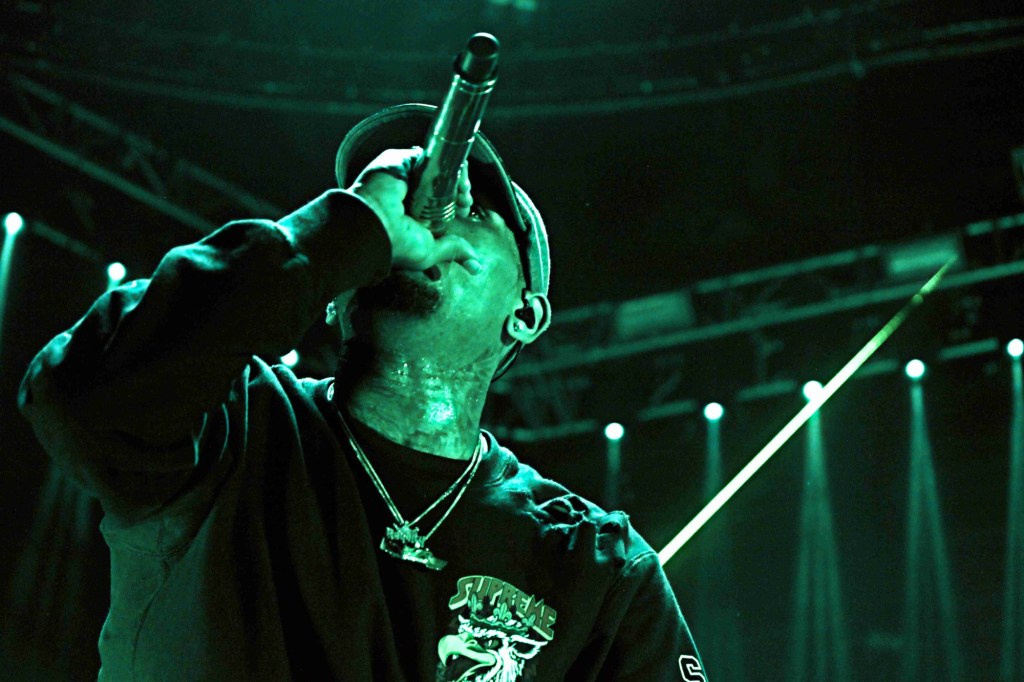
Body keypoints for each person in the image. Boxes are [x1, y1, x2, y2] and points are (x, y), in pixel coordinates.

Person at [19, 104, 705, 681]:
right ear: (335, 295)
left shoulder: (595, 565)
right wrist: (345, 229)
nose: (432, 211)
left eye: (476, 207)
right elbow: (75, 393)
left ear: (525, 314)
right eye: (403, 201)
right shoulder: (230, 423)